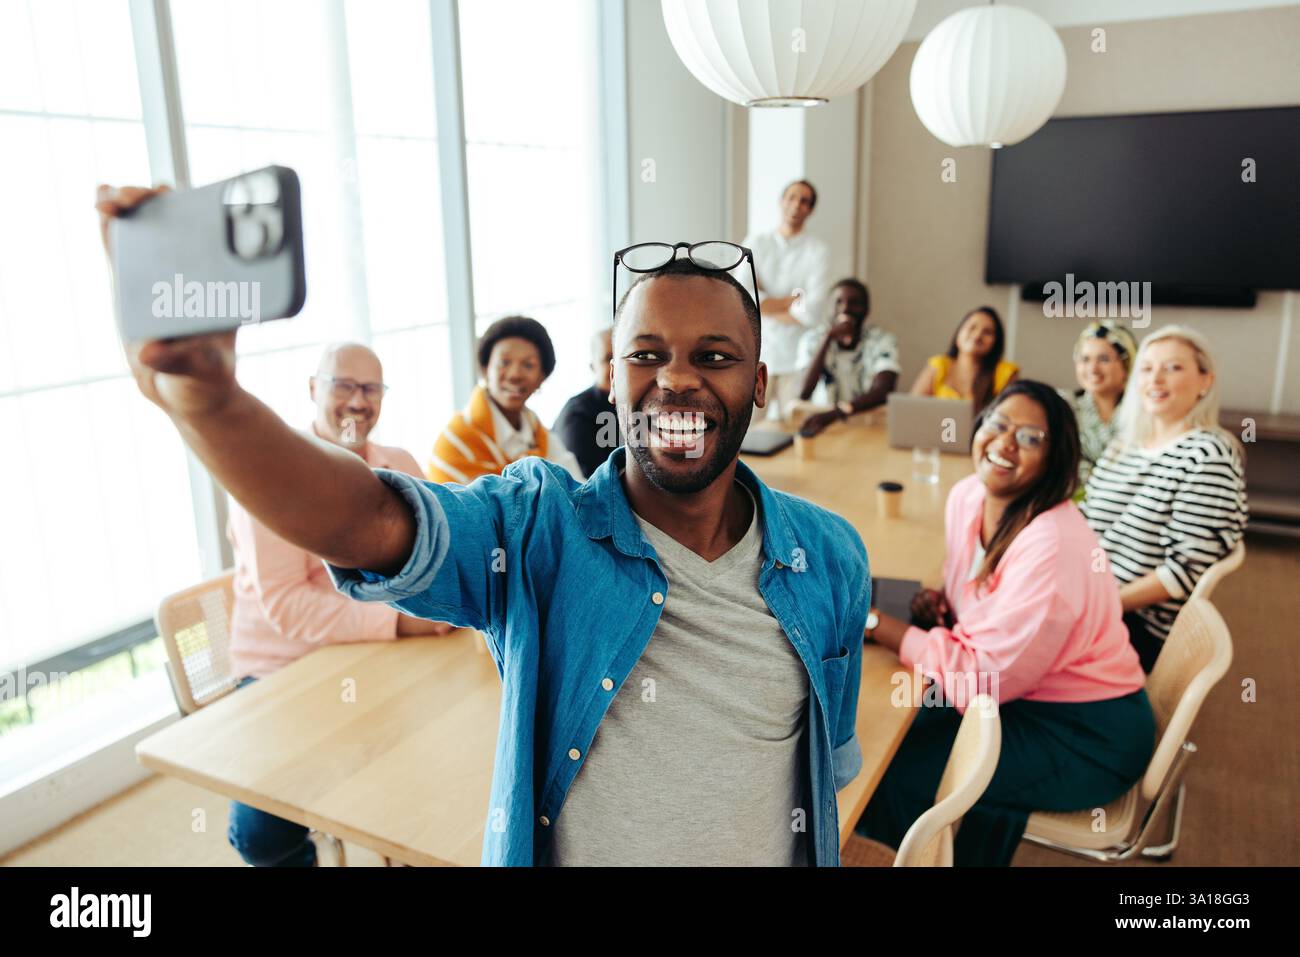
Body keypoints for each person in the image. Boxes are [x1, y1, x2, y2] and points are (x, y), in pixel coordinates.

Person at [101, 187, 869, 867]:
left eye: (715, 355)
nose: (675, 378)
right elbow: (368, 516)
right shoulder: (539, 528)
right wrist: (207, 398)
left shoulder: (831, 558)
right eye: (645, 353)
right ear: (612, 379)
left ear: (760, 383)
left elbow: (821, 777)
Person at [856, 380, 1153, 866]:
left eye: (1031, 438)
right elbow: (981, 606)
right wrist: (945, 610)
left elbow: (982, 681)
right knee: (895, 731)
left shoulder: (1052, 546)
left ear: (1056, 460)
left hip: (1088, 734)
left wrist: (880, 626)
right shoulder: (969, 495)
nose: (1005, 443)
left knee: (899, 771)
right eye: (997, 424)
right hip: (1022, 693)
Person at [226, 342, 453, 867]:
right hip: (283, 669)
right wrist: (398, 622)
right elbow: (288, 605)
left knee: (439, 767)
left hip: (376, 658)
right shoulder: (269, 478)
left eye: (371, 389)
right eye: (343, 385)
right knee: (263, 832)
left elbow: (434, 559)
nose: (358, 401)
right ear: (313, 390)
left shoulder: (400, 465)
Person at [1083, 325, 1247, 673]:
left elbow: (1183, 572)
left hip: (1132, 626)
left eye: (1173, 367)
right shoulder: (1123, 446)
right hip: (1089, 594)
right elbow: (1084, 522)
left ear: (1205, 381)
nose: (1155, 379)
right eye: (1146, 367)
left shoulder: (1208, 456)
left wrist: (1100, 604)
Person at [426, 315, 583, 483]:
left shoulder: (541, 438)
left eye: (528, 365)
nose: (515, 375)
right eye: (504, 362)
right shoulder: (457, 442)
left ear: (541, 378)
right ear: (486, 370)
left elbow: (579, 493)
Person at [742, 179, 832, 423]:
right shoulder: (756, 244)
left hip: (798, 358)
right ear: (781, 201)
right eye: (792, 198)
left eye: (804, 201)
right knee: (747, 430)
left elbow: (811, 311)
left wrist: (765, 303)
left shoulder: (817, 251)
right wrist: (791, 301)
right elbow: (742, 298)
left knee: (792, 431)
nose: (796, 205)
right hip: (759, 353)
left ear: (810, 210)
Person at [793, 279, 900, 437]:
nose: (845, 309)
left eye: (854, 303)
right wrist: (827, 338)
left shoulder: (882, 340)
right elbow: (803, 393)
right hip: (821, 424)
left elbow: (883, 390)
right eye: (838, 302)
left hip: (868, 424)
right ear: (828, 308)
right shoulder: (812, 340)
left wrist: (837, 413)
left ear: (866, 309)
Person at [1060, 320, 1136, 491]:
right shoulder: (1064, 407)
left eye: (1104, 359)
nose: (1093, 369)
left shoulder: (1145, 413)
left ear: (1126, 365)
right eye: (1085, 359)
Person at [911, 306, 1018, 413]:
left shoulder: (1005, 373)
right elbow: (912, 410)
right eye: (972, 327)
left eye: (987, 332)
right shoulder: (939, 365)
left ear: (996, 342)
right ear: (959, 331)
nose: (977, 336)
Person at [553, 327, 620, 478]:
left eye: (624, 357)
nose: (617, 367)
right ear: (593, 367)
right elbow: (589, 483)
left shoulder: (639, 407)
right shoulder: (577, 414)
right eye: (608, 358)